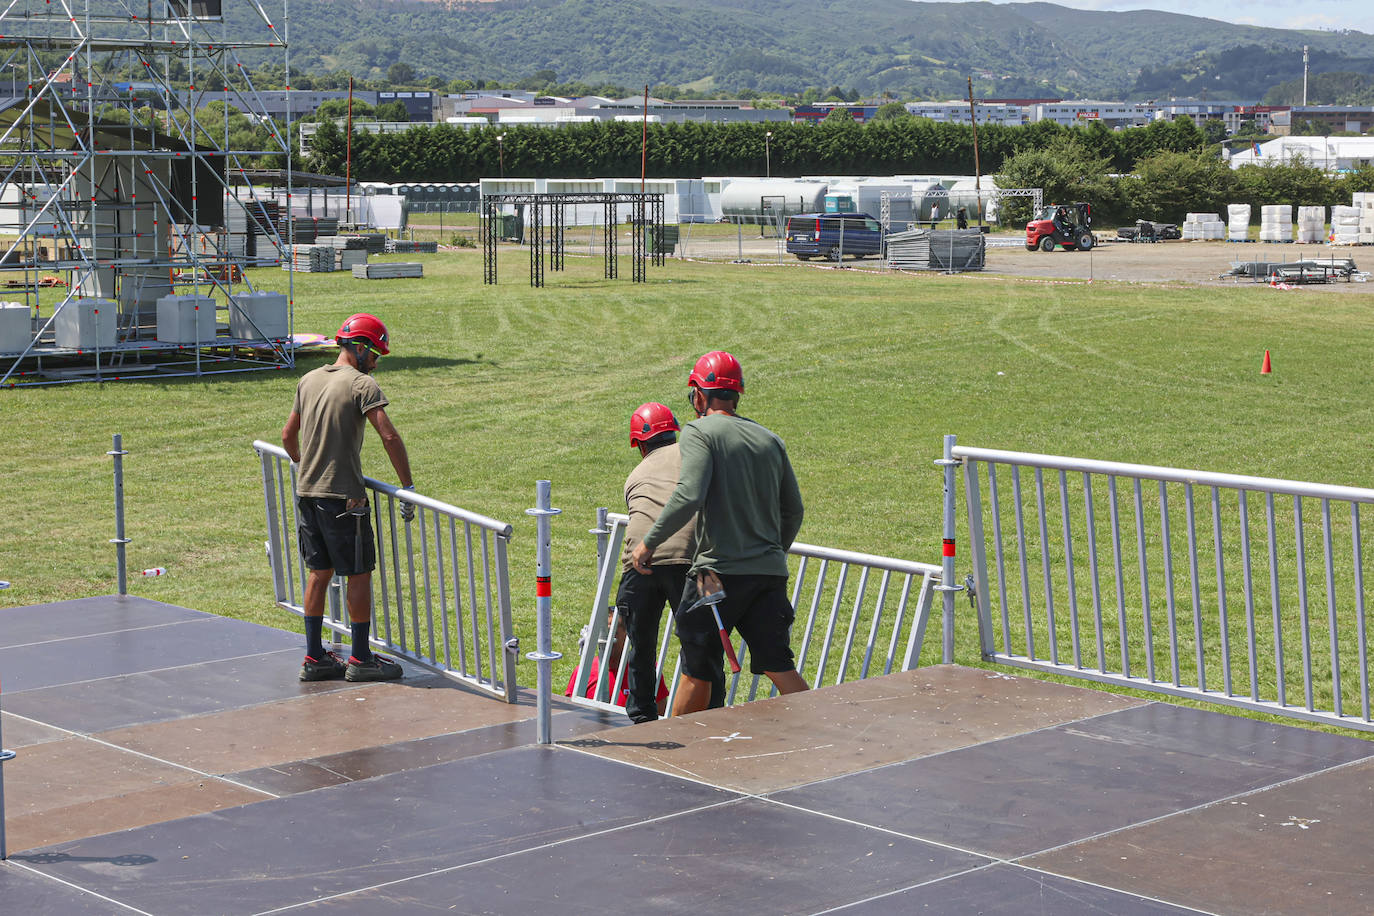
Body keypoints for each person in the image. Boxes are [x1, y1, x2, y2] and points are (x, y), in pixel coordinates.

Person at [631, 351, 807, 716]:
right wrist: (772, 552)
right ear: (736, 394)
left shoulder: (698, 430)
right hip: (767, 573)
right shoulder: (769, 439)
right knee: (779, 665)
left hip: (715, 574)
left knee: (696, 669)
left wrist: (649, 544)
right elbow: (793, 510)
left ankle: (672, 757)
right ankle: (828, 730)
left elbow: (689, 494)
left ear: (699, 395)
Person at [282, 312, 414, 683]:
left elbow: (287, 436)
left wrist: (306, 465)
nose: (375, 363)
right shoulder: (361, 385)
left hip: (307, 492)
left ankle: (314, 658)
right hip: (344, 500)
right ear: (360, 348)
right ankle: (359, 659)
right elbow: (389, 436)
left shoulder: (308, 380)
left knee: (318, 573)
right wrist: (408, 487)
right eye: (375, 355)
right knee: (358, 574)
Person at [615, 401, 697, 723]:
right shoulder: (692, 458)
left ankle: (641, 716)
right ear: (673, 432)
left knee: (642, 644)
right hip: (684, 558)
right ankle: (708, 711)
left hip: (638, 563)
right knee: (697, 643)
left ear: (639, 444)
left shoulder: (634, 475)